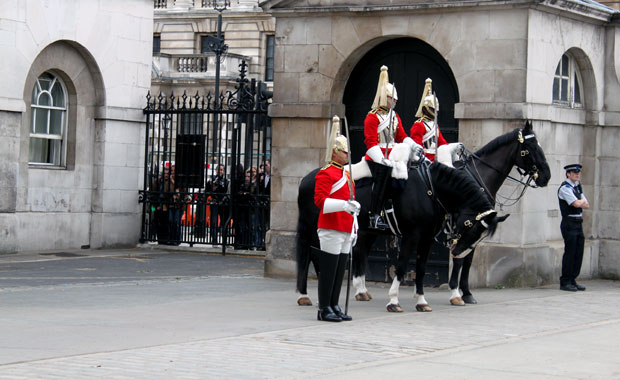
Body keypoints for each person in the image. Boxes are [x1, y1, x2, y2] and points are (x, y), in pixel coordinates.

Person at [314, 116, 360, 322]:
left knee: (340, 269)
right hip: (331, 227)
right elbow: (320, 202)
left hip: (346, 227)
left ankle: (334, 304)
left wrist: (354, 222)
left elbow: (351, 203)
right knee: (329, 270)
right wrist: (343, 205)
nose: (347, 154)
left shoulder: (347, 175)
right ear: (334, 151)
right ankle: (324, 307)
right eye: (344, 151)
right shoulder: (326, 174)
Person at [364, 65, 421, 230]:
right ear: (384, 97)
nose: (395, 101)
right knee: (383, 176)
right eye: (391, 98)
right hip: (376, 156)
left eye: (395, 99)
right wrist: (381, 159)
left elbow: (402, 136)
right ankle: (374, 215)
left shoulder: (395, 116)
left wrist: (414, 145)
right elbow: (369, 142)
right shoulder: (372, 117)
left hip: (393, 154)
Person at [558, 163, 589, 292]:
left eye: (578, 173)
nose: (577, 174)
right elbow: (576, 204)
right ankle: (565, 281)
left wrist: (580, 202)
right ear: (568, 174)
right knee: (570, 253)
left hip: (578, 223)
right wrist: (580, 202)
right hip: (569, 222)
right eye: (574, 173)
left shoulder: (576, 187)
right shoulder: (565, 188)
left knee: (578, 252)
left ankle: (573, 279)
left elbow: (586, 205)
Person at [409, 78, 449, 162]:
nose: (435, 112)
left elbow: (442, 143)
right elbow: (418, 147)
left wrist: (451, 149)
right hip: (425, 160)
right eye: (432, 109)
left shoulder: (434, 125)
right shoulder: (419, 125)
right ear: (425, 109)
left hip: (437, 158)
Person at [207, 164, 229, 245]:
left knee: (224, 223)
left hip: (223, 204)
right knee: (214, 222)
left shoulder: (226, 181)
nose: (220, 171)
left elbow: (227, 192)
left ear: (224, 171)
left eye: (221, 170)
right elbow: (208, 190)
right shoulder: (212, 179)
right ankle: (214, 241)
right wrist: (213, 187)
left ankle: (224, 241)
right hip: (214, 202)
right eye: (218, 169)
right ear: (216, 170)